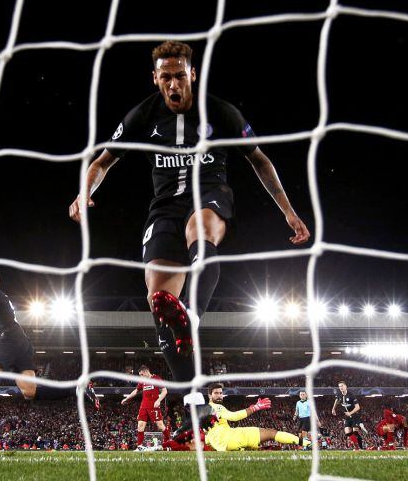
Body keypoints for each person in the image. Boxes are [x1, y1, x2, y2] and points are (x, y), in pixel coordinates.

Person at [68, 41, 310, 381]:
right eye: (165, 77)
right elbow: (102, 162)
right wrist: (84, 192)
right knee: (158, 301)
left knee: (202, 227)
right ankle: (193, 400)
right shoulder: (143, 115)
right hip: (165, 207)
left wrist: (288, 210)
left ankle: (192, 315)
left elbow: (259, 159)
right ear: (155, 78)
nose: (173, 84)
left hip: (210, 194)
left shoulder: (221, 112)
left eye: (180, 76)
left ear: (192, 74)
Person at [0, 273, 99, 448]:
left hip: (9, 340)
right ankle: (77, 388)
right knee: (30, 392)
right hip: (22, 344)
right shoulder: (0, 299)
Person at [165, 384, 309, 452]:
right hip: (229, 437)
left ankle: (244, 449)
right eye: (216, 393)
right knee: (271, 432)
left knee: (254, 447)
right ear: (209, 396)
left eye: (221, 393)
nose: (219, 395)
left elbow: (204, 435)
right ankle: (306, 443)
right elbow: (233, 417)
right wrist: (254, 407)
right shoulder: (215, 407)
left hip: (219, 443)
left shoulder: (203, 412)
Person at [120, 365, 169, 449]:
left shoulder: (156, 379)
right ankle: (139, 447)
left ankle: (169, 442)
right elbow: (136, 391)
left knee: (160, 426)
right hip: (143, 406)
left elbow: (164, 391)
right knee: (140, 426)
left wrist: (158, 400)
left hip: (154, 406)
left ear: (146, 372)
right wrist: (127, 398)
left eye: (141, 374)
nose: (141, 376)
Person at [332, 381, 367, 449]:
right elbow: (337, 400)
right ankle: (356, 447)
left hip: (355, 415)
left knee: (355, 432)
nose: (341, 387)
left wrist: (350, 413)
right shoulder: (339, 395)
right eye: (339, 386)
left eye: (342, 386)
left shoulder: (351, 395)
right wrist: (333, 409)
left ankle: (361, 448)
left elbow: (358, 407)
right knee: (348, 432)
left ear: (346, 386)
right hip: (347, 416)